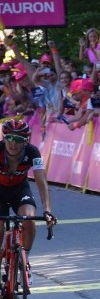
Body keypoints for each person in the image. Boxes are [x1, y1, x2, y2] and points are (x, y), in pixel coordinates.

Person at [0, 120, 58, 284]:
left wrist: (47, 210)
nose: (13, 143)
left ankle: (24, 260)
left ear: (25, 141)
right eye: (9, 138)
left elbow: (41, 182)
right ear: (4, 138)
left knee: (29, 219)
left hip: (20, 189)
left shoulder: (33, 152)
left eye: (18, 139)